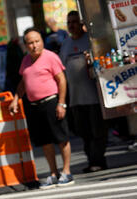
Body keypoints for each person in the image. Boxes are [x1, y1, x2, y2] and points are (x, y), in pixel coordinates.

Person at [8, 27, 74, 189]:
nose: (34, 45)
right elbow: (24, 82)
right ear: (26, 45)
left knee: (61, 138)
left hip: (52, 102)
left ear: (42, 41)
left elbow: (61, 80)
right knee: (45, 141)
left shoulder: (51, 57)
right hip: (34, 105)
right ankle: (53, 173)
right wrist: (16, 98)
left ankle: (66, 171)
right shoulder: (25, 60)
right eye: (30, 43)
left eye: (37, 41)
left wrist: (62, 103)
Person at [59, 11, 108, 173]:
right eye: (69, 23)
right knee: (83, 132)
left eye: (74, 22)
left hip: (93, 96)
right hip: (75, 98)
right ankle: (91, 159)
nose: (72, 25)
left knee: (97, 131)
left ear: (81, 24)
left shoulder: (89, 40)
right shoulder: (65, 44)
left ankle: (98, 160)